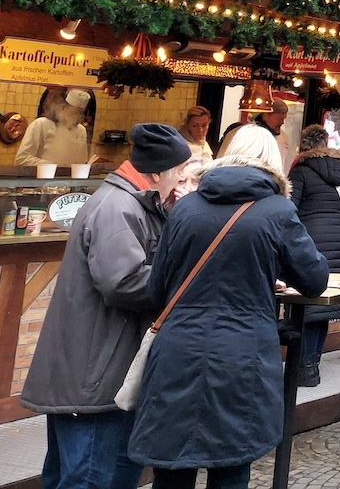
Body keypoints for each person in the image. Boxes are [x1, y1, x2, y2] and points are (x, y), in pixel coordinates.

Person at [126, 154, 329, 489]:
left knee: (171, 466)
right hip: (243, 354)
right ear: (272, 179)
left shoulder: (186, 208)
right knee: (231, 465)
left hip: (178, 350)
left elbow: (157, 286)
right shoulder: (278, 211)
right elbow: (314, 279)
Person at [21, 124, 191, 489]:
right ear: (157, 172)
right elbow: (124, 281)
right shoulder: (118, 207)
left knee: (77, 475)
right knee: (90, 479)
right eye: (178, 172)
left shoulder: (132, 201)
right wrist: (185, 285)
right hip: (95, 372)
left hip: (97, 367)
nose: (179, 182)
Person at [288, 123, 340, 387]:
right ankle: (312, 364)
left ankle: (301, 367)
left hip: (308, 241)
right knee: (324, 304)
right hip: (336, 242)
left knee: (303, 303)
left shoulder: (301, 171)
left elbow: (289, 210)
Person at [17, 88, 94, 169]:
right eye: (75, 113)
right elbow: (22, 159)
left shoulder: (81, 130)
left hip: (70, 180)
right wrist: (53, 166)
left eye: (82, 114)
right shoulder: (41, 124)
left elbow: (81, 162)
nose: (79, 117)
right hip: (42, 180)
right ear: (64, 108)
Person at [218, 95, 287, 173]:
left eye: (284, 119)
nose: (282, 122)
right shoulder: (238, 133)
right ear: (266, 116)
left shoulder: (284, 138)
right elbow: (221, 162)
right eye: (280, 119)